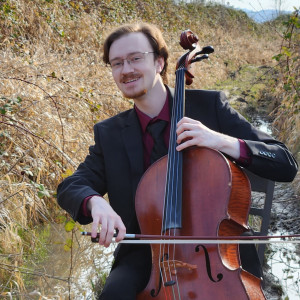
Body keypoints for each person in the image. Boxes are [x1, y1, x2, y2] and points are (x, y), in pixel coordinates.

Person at [57, 22, 298, 299]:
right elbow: (70, 186)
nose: (126, 69)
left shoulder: (209, 108)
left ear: (159, 62)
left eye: (136, 58)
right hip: (146, 257)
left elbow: (284, 162)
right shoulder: (109, 133)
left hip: (218, 256)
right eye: (117, 63)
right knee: (114, 293)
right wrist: (94, 201)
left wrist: (219, 141)